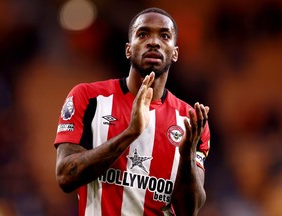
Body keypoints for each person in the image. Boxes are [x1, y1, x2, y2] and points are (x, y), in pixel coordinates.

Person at [54, 7, 210, 216]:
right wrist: (130, 133)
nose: (154, 42)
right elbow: (65, 177)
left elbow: (189, 211)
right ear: (128, 49)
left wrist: (187, 155)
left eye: (164, 35)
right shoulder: (89, 98)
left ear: (175, 53)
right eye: (143, 34)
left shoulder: (188, 119)